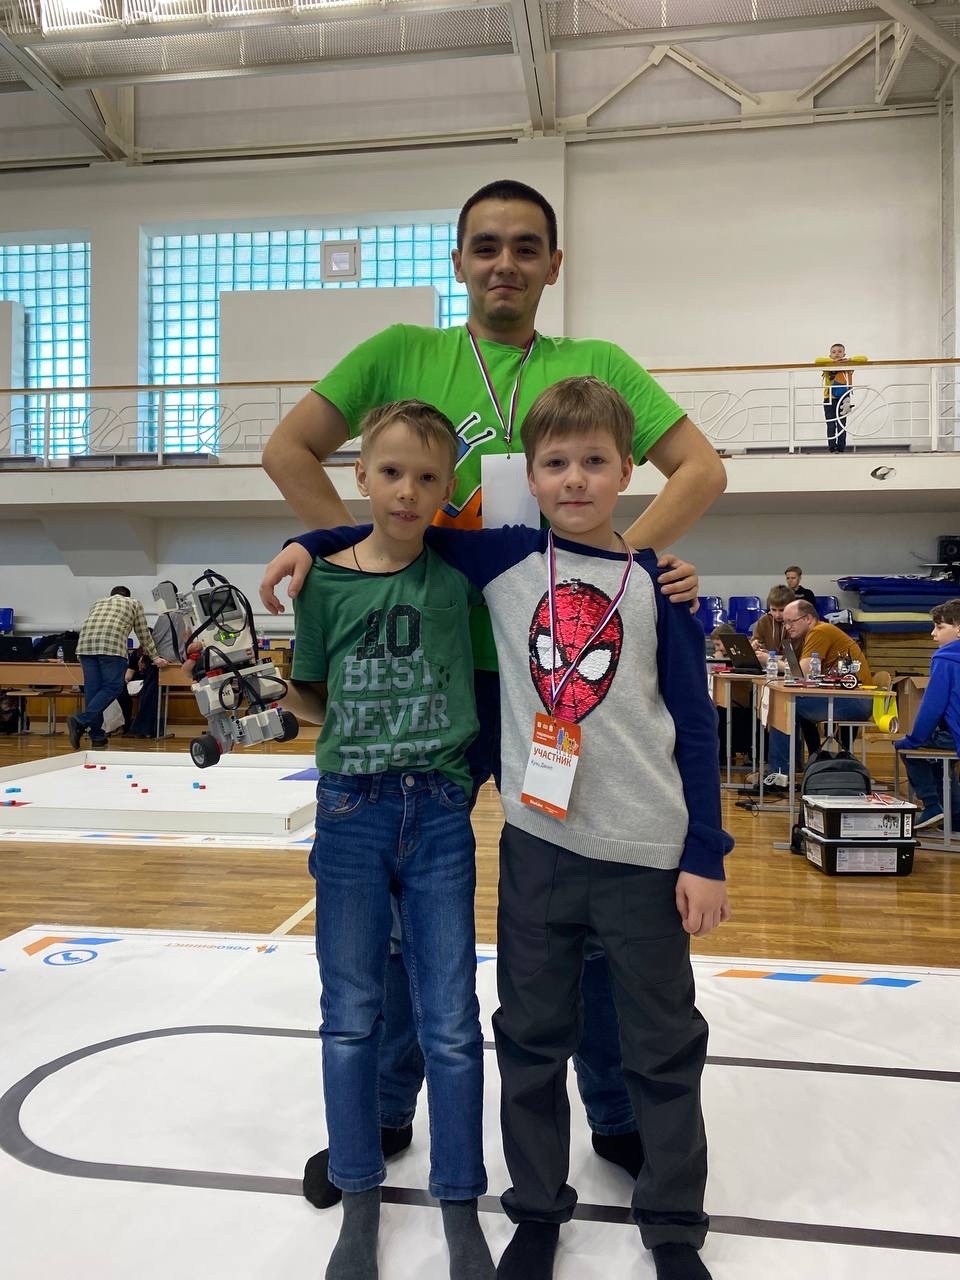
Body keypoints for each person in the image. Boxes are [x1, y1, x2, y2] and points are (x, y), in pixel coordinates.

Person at [260, 178, 726, 1206]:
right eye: (485, 246)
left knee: (590, 896)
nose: (504, 263)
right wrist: (356, 553)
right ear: (458, 260)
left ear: (553, 264)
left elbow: (701, 469)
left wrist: (623, 573)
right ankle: (386, 1107)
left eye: (525, 246)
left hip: (557, 686)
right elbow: (286, 447)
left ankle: (613, 1110)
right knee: (399, 915)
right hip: (427, 673)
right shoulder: (400, 351)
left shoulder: (595, 365)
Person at [281, 401, 494, 1280]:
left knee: (452, 1022)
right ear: (361, 477)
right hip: (351, 812)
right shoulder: (324, 585)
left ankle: (460, 1205)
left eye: (427, 477)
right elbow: (309, 695)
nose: (408, 492)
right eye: (392, 472)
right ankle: (359, 1200)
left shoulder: (462, 573)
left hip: (439, 813)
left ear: (448, 492)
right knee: (350, 1017)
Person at [765, 599, 873, 784]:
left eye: (791, 621)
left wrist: (769, 660)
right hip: (851, 697)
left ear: (808, 618)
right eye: (785, 623)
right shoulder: (815, 632)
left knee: (783, 706)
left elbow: (804, 671)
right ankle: (793, 767)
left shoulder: (819, 631)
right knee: (790, 703)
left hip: (855, 700)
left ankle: (779, 774)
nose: (787, 627)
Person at [68, 586, 168, 750]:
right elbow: (143, 632)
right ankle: (81, 720)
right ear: (128, 596)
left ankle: (97, 736)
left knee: (93, 692)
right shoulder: (134, 603)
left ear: (111, 595)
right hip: (111, 647)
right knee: (114, 687)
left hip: (85, 647)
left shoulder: (98, 602)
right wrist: (155, 657)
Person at [894, 599, 960, 830]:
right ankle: (955, 816)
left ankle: (932, 806)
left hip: (954, 736)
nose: (933, 633)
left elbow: (932, 707)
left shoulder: (945, 657)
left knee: (908, 748)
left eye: (939, 627)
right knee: (937, 758)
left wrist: (913, 739)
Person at [814, 343, 867, 453]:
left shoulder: (847, 365)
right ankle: (832, 447)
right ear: (830, 355)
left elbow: (864, 359)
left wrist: (848, 360)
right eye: (833, 352)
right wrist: (833, 361)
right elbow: (817, 360)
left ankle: (841, 448)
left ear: (844, 354)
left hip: (844, 399)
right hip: (829, 399)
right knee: (830, 425)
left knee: (841, 425)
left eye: (839, 351)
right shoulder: (827, 364)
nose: (837, 354)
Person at [750, 586, 796, 654]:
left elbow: (796, 652)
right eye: (773, 610)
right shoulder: (764, 621)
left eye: (782, 610)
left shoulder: (796, 623)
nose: (777, 615)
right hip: (768, 658)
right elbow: (756, 640)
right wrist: (755, 644)